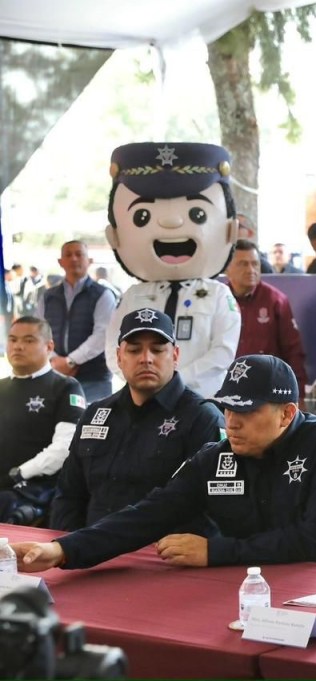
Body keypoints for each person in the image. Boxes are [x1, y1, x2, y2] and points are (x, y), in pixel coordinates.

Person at [14, 355, 316, 570]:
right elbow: (148, 514)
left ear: (286, 414)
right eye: (226, 407)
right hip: (258, 584)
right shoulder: (218, 456)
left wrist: (215, 551)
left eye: (245, 410)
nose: (231, 420)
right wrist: (64, 550)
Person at [50, 309, 225, 531]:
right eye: (134, 350)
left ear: (175, 356)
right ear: (119, 358)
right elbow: (69, 494)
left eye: (158, 349)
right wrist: (67, 551)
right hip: (86, 554)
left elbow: (212, 509)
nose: (146, 359)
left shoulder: (202, 419)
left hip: (162, 558)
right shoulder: (95, 414)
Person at [103, 142, 242, 399]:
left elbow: (223, 351)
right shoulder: (133, 296)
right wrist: (140, 382)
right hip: (144, 401)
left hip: (203, 401)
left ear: (229, 229)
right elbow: (113, 348)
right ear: (114, 235)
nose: (171, 223)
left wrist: (174, 380)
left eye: (197, 214)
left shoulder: (218, 295)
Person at [0, 317, 86, 525]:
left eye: (29, 340)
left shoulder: (65, 388)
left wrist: (19, 473)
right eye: (13, 340)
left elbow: (64, 448)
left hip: (35, 489)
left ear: (49, 346)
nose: (18, 346)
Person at [224, 240, 309, 405]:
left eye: (255, 264)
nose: (251, 270)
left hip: (266, 393)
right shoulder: (219, 300)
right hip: (227, 390)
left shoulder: (276, 301)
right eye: (243, 264)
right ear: (228, 269)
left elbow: (293, 351)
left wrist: (298, 396)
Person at [43, 241, 116, 403]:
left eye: (79, 254)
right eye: (68, 255)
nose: (74, 259)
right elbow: (40, 332)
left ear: (89, 261)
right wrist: (54, 360)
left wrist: (70, 361)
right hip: (55, 374)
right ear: (60, 262)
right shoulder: (48, 296)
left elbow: (102, 334)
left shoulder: (103, 295)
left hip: (94, 378)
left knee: (92, 424)